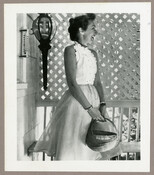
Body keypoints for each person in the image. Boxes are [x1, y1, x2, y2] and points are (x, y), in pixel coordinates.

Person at [34, 13, 120, 160]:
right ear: (81, 30)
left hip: (95, 101)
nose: (96, 32)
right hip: (78, 103)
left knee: (93, 144)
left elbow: (97, 82)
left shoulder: (93, 53)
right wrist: (89, 109)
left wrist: (103, 105)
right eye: (93, 28)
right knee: (74, 146)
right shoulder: (70, 50)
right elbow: (72, 84)